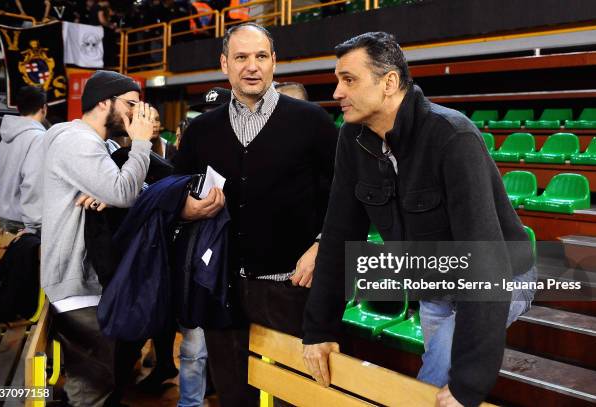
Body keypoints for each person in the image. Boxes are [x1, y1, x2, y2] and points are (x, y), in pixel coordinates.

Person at [301, 32, 537, 407]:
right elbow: (338, 236)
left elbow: (486, 259)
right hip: (433, 286)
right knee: (433, 390)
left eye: (348, 80)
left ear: (389, 82)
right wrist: (318, 330)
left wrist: (469, 385)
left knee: (435, 385)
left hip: (500, 274)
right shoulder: (352, 138)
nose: (336, 93)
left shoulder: (453, 137)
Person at [173, 22, 338, 407]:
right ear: (224, 64)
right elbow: (175, 192)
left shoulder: (311, 121)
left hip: (289, 286)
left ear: (274, 62)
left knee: (293, 397)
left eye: (261, 56)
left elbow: (345, 196)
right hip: (222, 286)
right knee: (233, 394)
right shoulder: (202, 130)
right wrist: (186, 207)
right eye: (241, 57)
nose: (252, 66)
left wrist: (321, 246)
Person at [40, 70, 155, 407]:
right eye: (130, 104)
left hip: (86, 278)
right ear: (104, 102)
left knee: (104, 380)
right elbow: (123, 192)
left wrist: (110, 191)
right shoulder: (77, 141)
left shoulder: (96, 143)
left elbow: (129, 190)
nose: (137, 114)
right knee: (92, 392)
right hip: (77, 283)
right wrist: (143, 143)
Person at [0, 86, 47, 235]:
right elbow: (33, 183)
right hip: (26, 224)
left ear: (19, 108)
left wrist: (6, 205)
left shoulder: (6, 137)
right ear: (44, 108)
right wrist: (32, 226)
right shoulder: (39, 138)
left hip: (4, 219)